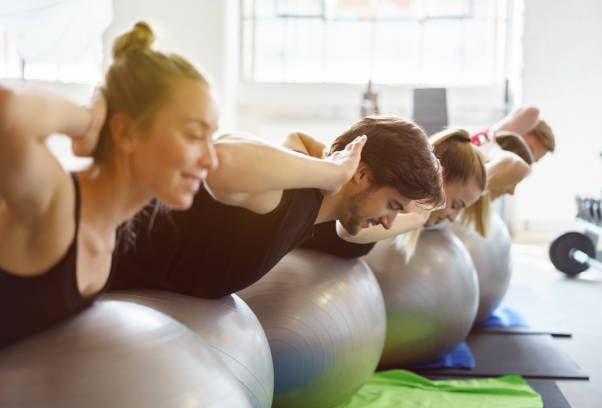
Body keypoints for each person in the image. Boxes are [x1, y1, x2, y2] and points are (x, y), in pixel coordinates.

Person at [0, 21, 218, 348]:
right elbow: (10, 111)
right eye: (192, 135)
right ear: (126, 132)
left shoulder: (105, 237)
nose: (211, 160)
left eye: (211, 138)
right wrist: (88, 121)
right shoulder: (55, 205)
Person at [110, 115, 445, 298]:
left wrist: (418, 217)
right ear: (361, 173)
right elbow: (219, 157)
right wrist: (332, 170)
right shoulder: (291, 195)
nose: (388, 222)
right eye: (392, 205)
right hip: (74, 243)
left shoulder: (316, 214)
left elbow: (354, 235)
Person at [300, 128, 487, 258]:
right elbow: (349, 233)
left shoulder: (401, 208)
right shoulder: (400, 199)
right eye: (456, 205)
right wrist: (419, 217)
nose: (454, 218)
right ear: (441, 177)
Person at [472, 106, 555, 162]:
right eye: (528, 150)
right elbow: (533, 112)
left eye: (532, 161)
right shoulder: (483, 142)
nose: (525, 162)